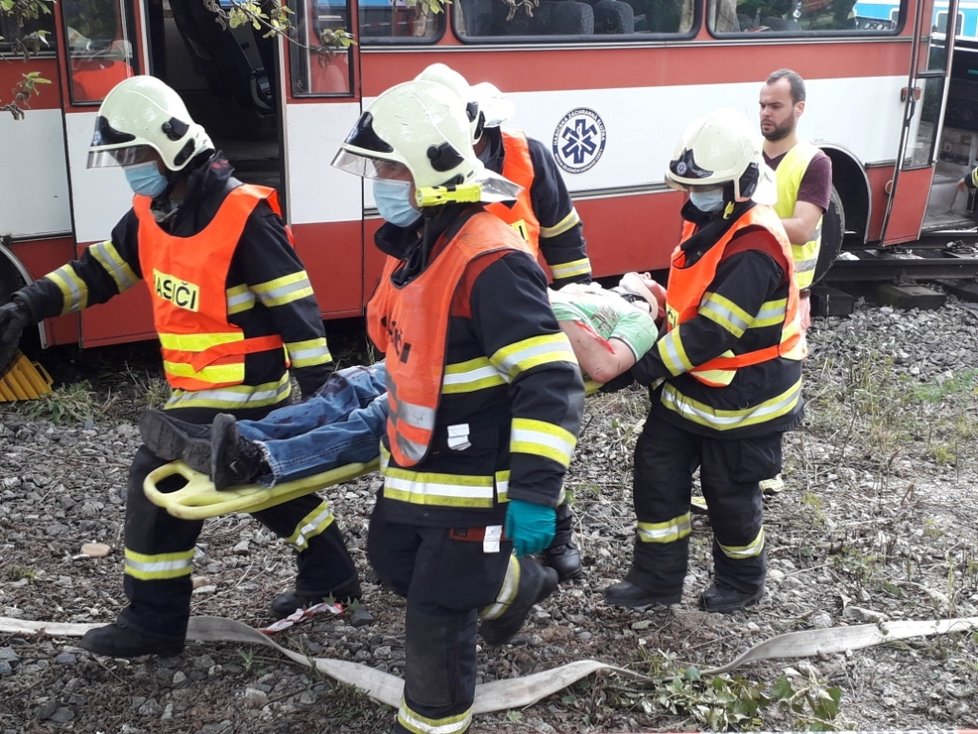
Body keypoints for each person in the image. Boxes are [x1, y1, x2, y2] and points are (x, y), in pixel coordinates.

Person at [0, 75, 359, 657]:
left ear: (170, 149)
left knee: (154, 478)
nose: (127, 167)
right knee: (256, 480)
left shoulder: (243, 215)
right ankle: (332, 575)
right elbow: (100, 272)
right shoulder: (152, 211)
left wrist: (320, 394)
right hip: (195, 392)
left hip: (248, 389)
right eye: (121, 156)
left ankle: (155, 622)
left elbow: (297, 306)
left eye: (133, 154)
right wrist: (26, 304)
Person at [335, 78, 583, 734]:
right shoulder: (416, 249)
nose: (381, 181)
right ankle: (514, 585)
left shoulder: (490, 261)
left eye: (392, 167)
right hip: (415, 467)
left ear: (430, 174)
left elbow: (551, 381)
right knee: (390, 563)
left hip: (476, 482)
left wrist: (535, 495)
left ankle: (433, 723)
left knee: (437, 611)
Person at [139, 275, 662, 491]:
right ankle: (229, 442)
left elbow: (602, 367)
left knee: (375, 419)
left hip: (484, 375)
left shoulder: (635, 316)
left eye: (648, 282)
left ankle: (262, 461)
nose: (641, 275)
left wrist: (543, 312)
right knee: (348, 388)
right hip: (443, 348)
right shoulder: (591, 289)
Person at [603, 107, 805, 614]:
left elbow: (713, 331)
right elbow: (690, 307)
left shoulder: (754, 245)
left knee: (729, 498)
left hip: (746, 401)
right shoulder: (712, 224)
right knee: (657, 480)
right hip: (690, 391)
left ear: (740, 183)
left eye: (706, 187)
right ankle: (656, 581)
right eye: (691, 187)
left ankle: (741, 582)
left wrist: (638, 366)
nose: (694, 197)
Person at [416, 63, 592, 580]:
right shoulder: (428, 167)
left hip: (528, 324)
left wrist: (578, 316)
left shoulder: (528, 157)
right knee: (480, 443)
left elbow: (564, 238)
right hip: (467, 333)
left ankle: (557, 531)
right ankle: (481, 546)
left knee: (537, 434)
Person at [759, 67, 833, 331]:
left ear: (799, 108)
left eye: (775, 106)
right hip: (745, 282)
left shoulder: (814, 162)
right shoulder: (747, 153)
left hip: (788, 292)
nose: (766, 112)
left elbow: (802, 230)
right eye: (762, 105)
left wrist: (746, 220)